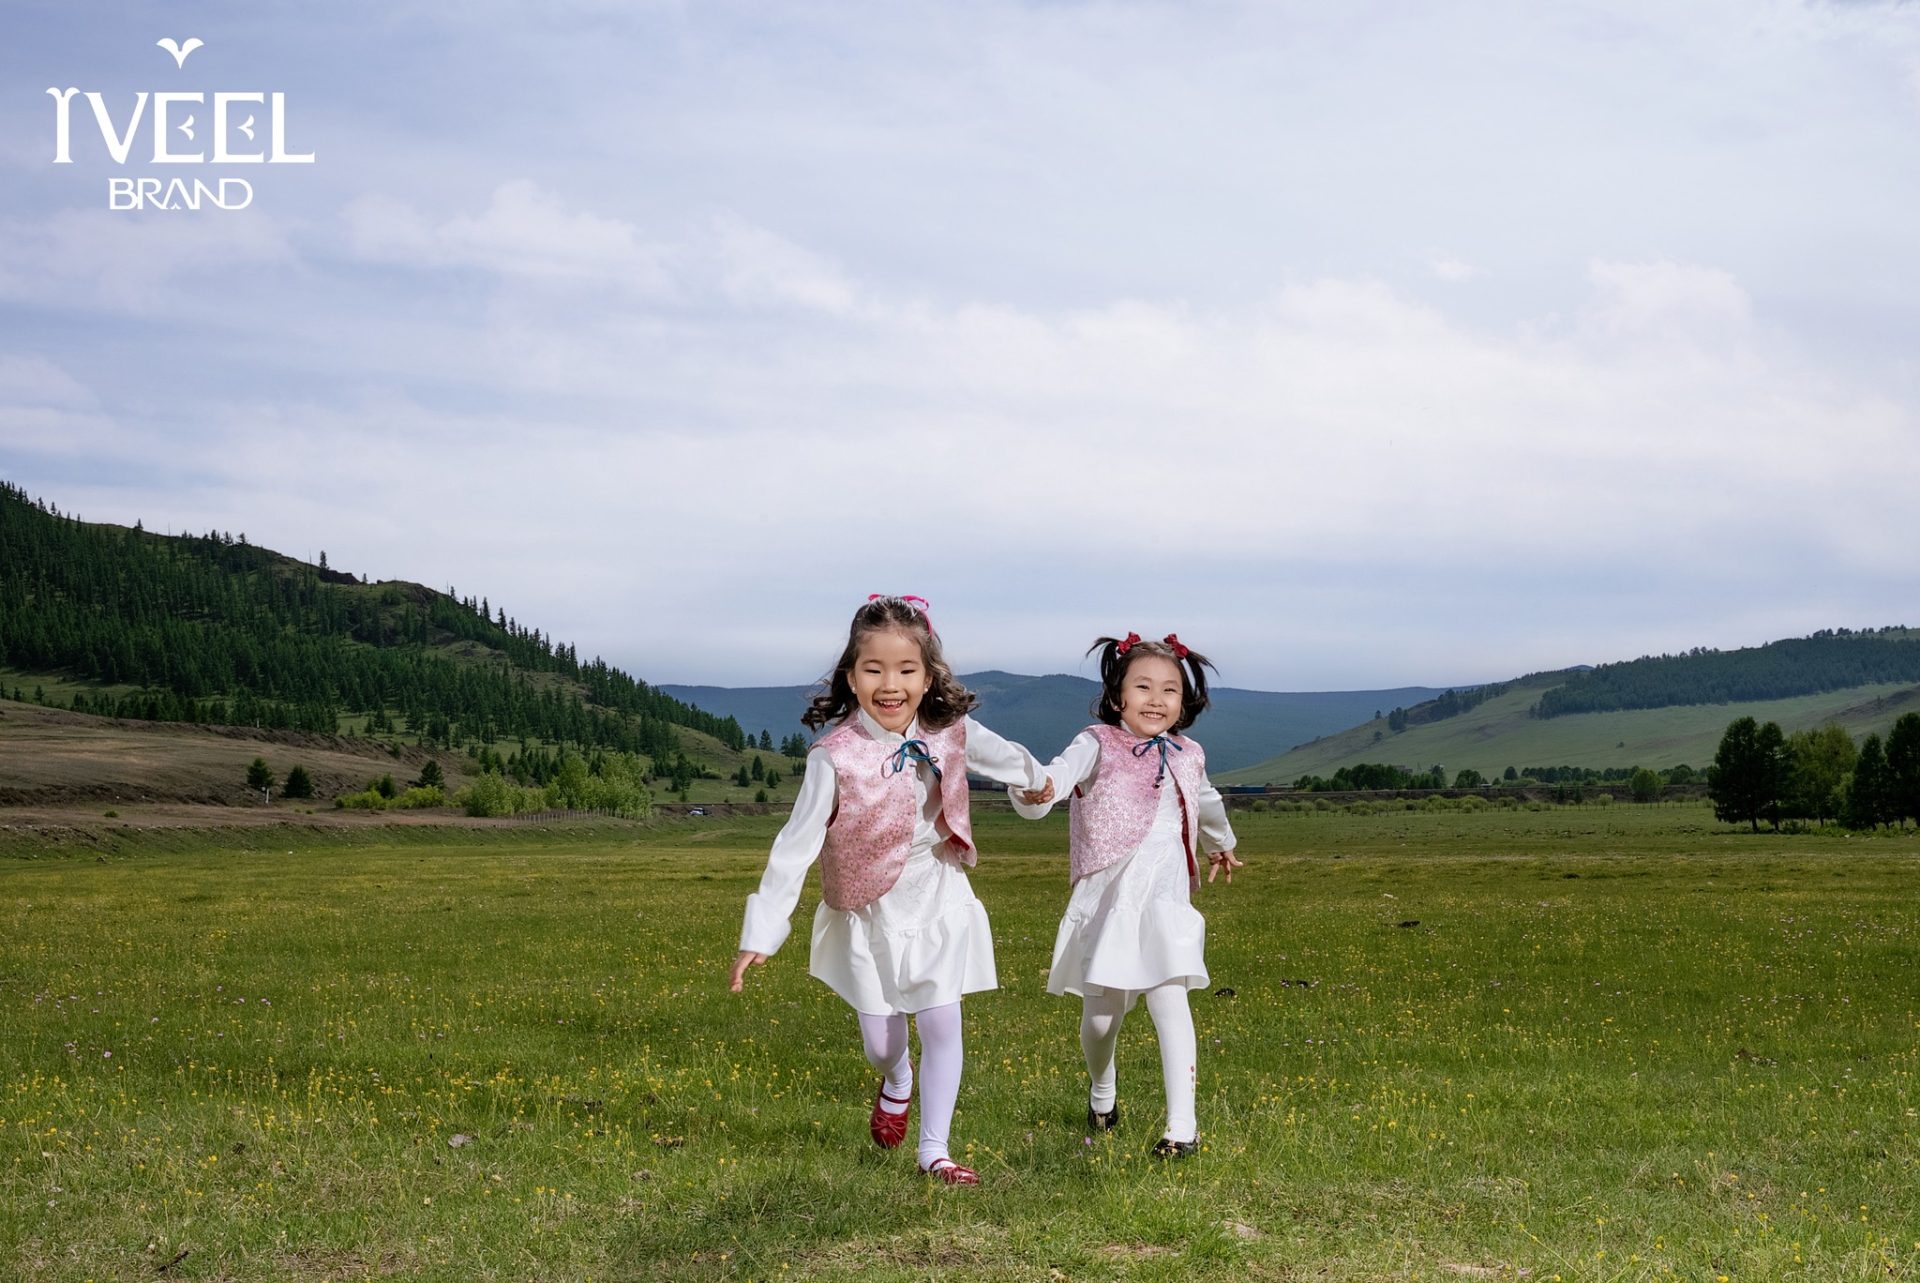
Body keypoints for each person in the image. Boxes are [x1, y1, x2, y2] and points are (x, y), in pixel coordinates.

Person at [729, 595, 1054, 1185]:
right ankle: (896, 1078)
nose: (890, 683)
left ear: (928, 677)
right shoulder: (834, 757)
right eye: (874, 669)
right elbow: (795, 844)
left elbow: (1006, 758)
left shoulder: (950, 729)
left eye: (906, 670)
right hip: (866, 908)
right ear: (851, 677)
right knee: (882, 1040)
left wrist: (1038, 784)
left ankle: (936, 1150)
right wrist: (764, 929)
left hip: (937, 893)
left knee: (941, 1021)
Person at [1012, 632, 1243, 1157]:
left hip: (1164, 899)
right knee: (1100, 1021)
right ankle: (1102, 1092)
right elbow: (1057, 776)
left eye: (1169, 690)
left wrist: (1221, 845)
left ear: (1184, 702)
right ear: (1118, 695)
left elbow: (1207, 802)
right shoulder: (1095, 743)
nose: (1156, 699)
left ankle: (1182, 1129)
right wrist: (1037, 789)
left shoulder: (1190, 753)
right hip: (1108, 903)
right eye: (1143, 687)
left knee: (1169, 995)